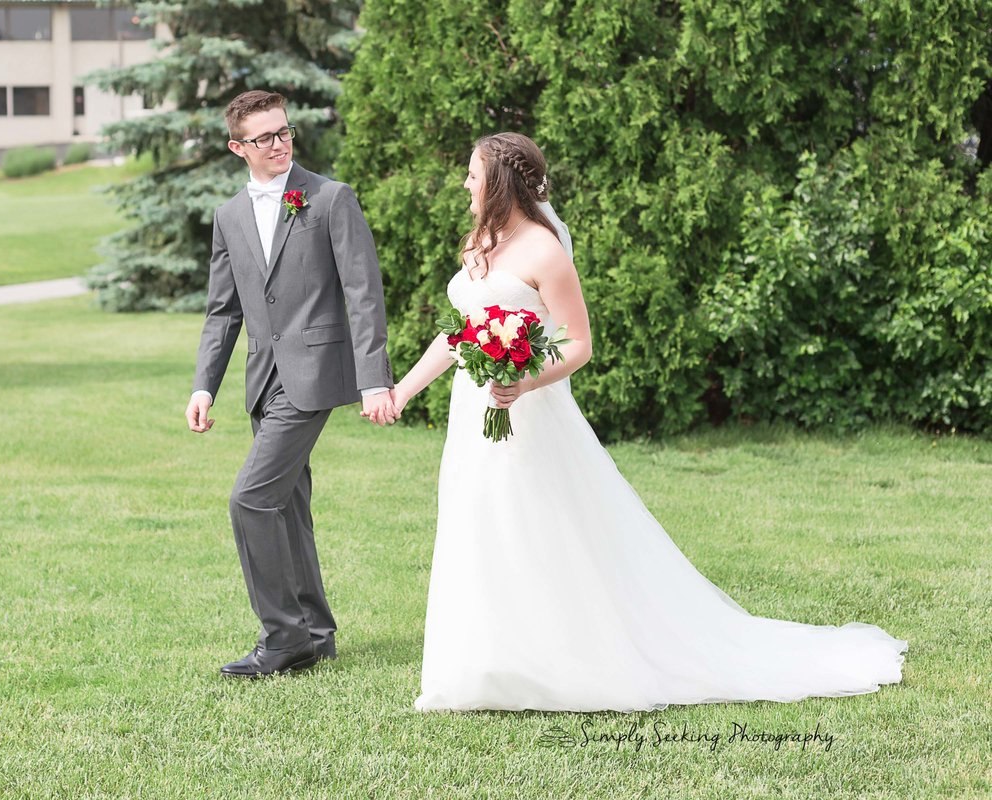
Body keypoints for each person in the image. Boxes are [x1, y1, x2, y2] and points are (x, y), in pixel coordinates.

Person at [379, 132, 907, 712]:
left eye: (473, 174)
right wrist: (403, 390)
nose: (466, 184)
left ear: (500, 182)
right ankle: (483, 668)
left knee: (541, 528)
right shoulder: (480, 243)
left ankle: (562, 662)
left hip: (529, 411)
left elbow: (577, 342)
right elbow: (458, 333)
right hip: (471, 410)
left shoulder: (544, 251)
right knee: (478, 522)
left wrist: (525, 380)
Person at [186, 90, 399, 678]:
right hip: (263, 378)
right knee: (284, 506)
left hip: (315, 371)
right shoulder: (229, 215)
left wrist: (373, 380)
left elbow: (363, 292)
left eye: (285, 132)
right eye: (264, 137)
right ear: (238, 148)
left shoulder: (330, 198)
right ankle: (316, 632)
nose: (279, 144)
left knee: (251, 500)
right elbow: (223, 311)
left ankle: (282, 639)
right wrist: (205, 386)